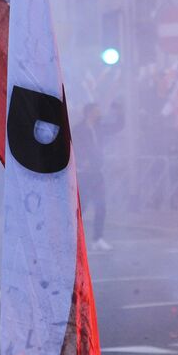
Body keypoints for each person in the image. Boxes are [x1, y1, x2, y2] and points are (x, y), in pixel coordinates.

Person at [73, 101, 124, 251]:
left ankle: (97, 238)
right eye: (97, 110)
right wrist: (82, 161)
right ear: (89, 112)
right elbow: (74, 147)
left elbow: (117, 127)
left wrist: (120, 112)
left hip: (96, 172)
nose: (99, 113)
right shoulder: (78, 129)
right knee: (82, 206)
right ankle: (71, 237)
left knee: (101, 205)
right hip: (83, 174)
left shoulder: (99, 127)